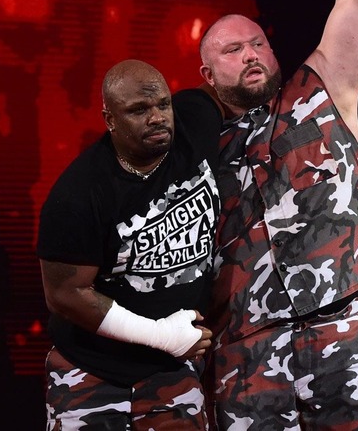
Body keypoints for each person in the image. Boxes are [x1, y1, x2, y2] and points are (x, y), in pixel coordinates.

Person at [195, 0, 358, 429]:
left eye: (257, 43)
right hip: (246, 353)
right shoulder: (191, 153)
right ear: (208, 75)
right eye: (232, 51)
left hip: (340, 333)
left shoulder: (322, 92)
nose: (250, 54)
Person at [37, 59, 223, 430]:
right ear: (110, 120)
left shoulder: (194, 124)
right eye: (138, 110)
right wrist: (161, 336)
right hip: (90, 369)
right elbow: (65, 294)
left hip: (172, 371)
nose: (157, 118)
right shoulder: (79, 193)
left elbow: (233, 89)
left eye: (163, 105)